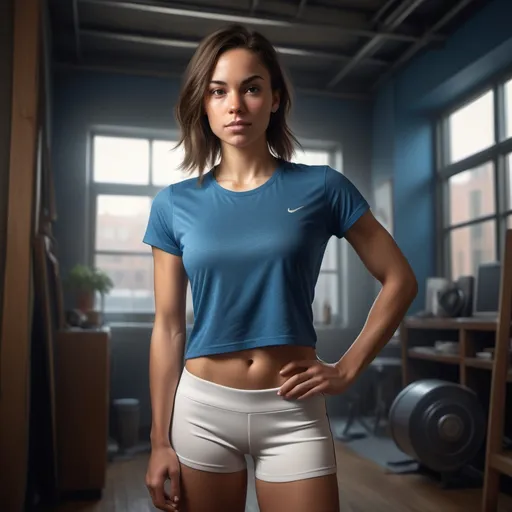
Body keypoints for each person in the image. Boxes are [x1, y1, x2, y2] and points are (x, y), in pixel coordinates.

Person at [142, 23, 417, 512]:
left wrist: (348, 369)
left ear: (274, 98)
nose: (235, 105)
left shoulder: (323, 188)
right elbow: (167, 328)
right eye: (218, 91)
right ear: (203, 104)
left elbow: (400, 280)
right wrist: (159, 440)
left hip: (293, 409)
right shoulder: (173, 205)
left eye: (251, 88)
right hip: (202, 408)